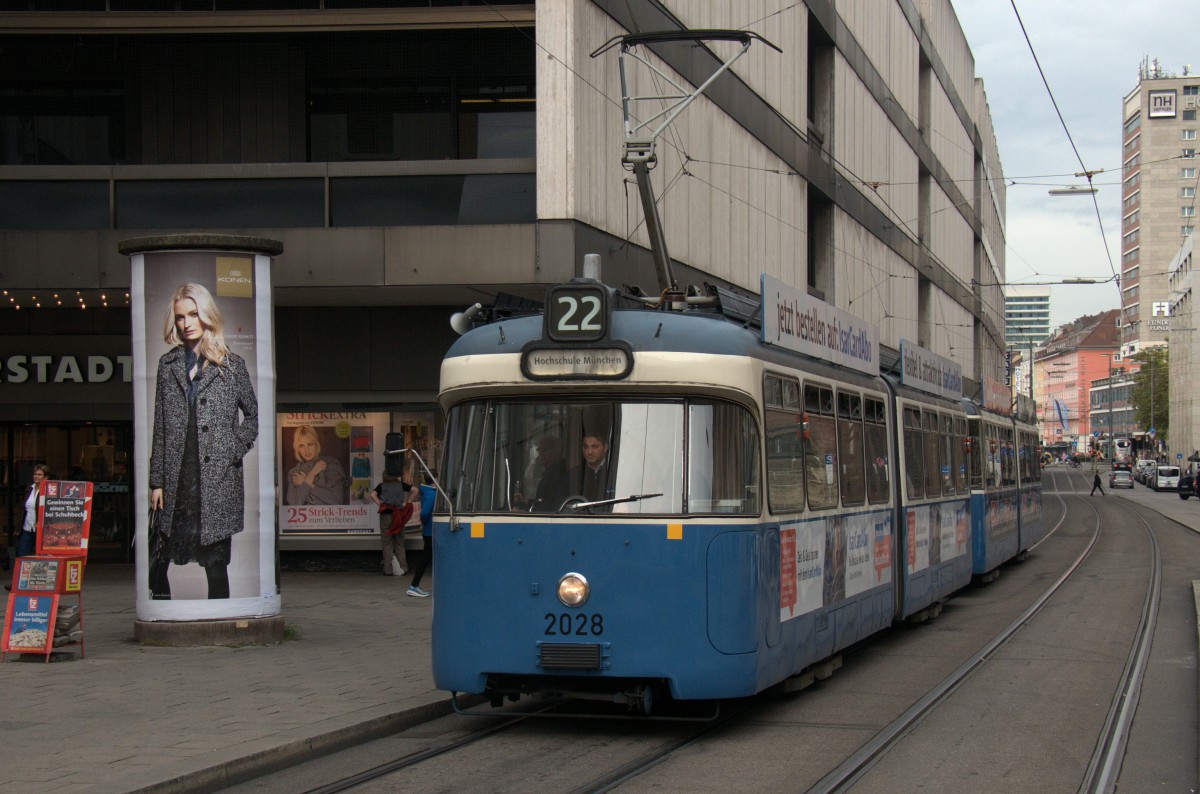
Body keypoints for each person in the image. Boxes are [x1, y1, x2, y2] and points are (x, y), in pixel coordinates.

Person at [149, 283, 258, 600]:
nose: (186, 323)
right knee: (159, 558)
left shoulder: (232, 365)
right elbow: (160, 428)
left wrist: (231, 451)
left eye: (193, 314)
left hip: (217, 481)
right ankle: (163, 614)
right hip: (178, 479)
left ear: (207, 315)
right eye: (180, 317)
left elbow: (252, 416)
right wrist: (157, 481)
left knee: (215, 564)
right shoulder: (167, 366)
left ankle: (220, 619)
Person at [286, 426, 348, 506]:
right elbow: (294, 503)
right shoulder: (294, 473)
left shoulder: (330, 464)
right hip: (304, 517)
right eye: (302, 446)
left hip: (328, 517)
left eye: (310, 444)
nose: (306, 450)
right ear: (297, 448)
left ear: (316, 444)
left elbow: (336, 500)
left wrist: (305, 484)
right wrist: (311, 474)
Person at [369, 472, 417, 576]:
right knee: (399, 542)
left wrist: (380, 503)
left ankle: (388, 569)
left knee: (387, 543)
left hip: (386, 514)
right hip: (398, 514)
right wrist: (408, 502)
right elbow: (415, 490)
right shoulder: (400, 485)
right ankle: (403, 567)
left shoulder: (382, 485)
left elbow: (372, 494)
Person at [407, 469, 438, 598]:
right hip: (430, 531)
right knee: (426, 559)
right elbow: (424, 513)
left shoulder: (428, 492)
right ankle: (414, 586)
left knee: (426, 559)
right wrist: (426, 522)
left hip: (428, 531)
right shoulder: (431, 494)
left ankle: (414, 586)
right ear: (434, 479)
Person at [518, 435, 569, 512]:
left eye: (544, 450)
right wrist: (525, 501)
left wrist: (523, 513)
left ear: (555, 452)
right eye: (539, 450)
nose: (540, 454)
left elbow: (547, 506)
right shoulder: (549, 472)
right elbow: (542, 500)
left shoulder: (557, 474)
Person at [571, 433, 611, 503]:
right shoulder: (573, 474)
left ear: (605, 448)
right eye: (585, 447)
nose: (589, 452)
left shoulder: (613, 472)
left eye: (595, 447)